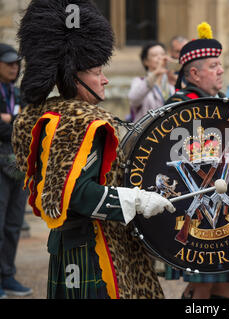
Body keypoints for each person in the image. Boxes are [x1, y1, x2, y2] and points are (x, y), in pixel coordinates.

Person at [13, 0, 175, 299]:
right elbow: (76, 194)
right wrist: (136, 199)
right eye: (96, 72)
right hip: (94, 245)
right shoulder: (82, 123)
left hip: (73, 242)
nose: (105, 79)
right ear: (73, 76)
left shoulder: (49, 116)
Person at [165, 22, 229, 299]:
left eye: (220, 64)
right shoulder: (177, 107)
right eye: (213, 65)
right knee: (201, 287)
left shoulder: (226, 106)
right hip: (195, 206)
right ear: (194, 73)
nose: (221, 70)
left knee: (227, 286)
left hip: (226, 205)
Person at [0, 43, 32, 298]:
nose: (14, 67)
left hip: (17, 166)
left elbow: (28, 126)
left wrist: (12, 120)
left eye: (16, 63)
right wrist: (16, 123)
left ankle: (7, 276)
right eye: (9, 62)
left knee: (12, 225)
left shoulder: (18, 92)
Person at [128, 41, 174, 122]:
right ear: (146, 61)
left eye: (163, 54)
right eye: (155, 55)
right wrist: (156, 73)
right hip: (148, 131)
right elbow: (133, 99)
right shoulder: (139, 82)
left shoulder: (171, 81)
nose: (160, 58)